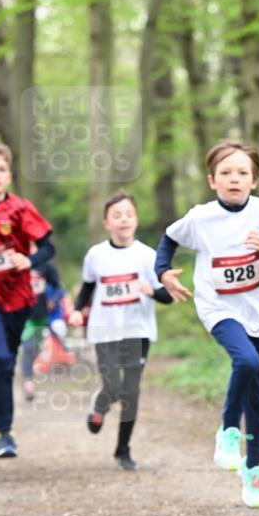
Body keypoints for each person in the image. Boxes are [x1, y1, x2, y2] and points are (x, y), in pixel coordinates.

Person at [155, 139, 259, 508]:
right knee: (246, 361)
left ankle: (253, 469)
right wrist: (163, 273)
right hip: (216, 306)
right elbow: (169, 238)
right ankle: (228, 431)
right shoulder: (201, 217)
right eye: (225, 173)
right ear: (211, 180)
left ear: (254, 181)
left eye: (242, 173)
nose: (234, 179)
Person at [68, 190, 172, 471]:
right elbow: (88, 287)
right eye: (117, 215)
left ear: (136, 220)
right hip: (105, 331)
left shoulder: (148, 256)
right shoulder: (96, 255)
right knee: (113, 385)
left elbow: (168, 295)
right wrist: (78, 310)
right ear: (107, 223)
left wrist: (151, 290)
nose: (123, 219)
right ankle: (100, 406)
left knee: (131, 392)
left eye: (128, 214)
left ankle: (123, 449)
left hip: (138, 331)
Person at [0, 143, 54, 458]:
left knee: (5, 362)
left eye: (0, 169)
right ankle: (5, 433)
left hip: (17, 299)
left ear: (10, 176)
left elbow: (47, 249)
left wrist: (28, 261)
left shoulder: (20, 209)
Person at [21, 259, 73, 399]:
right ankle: (28, 381)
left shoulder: (46, 266)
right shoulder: (16, 263)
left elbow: (59, 289)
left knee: (42, 343)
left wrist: (53, 301)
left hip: (44, 316)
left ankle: (68, 356)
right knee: (28, 347)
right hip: (26, 317)